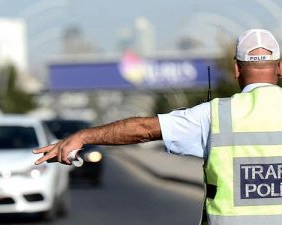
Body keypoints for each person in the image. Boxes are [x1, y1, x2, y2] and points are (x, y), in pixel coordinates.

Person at [34, 29, 282, 225]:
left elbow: (143, 129)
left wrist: (83, 136)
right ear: (279, 68)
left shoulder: (215, 115)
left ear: (236, 69)